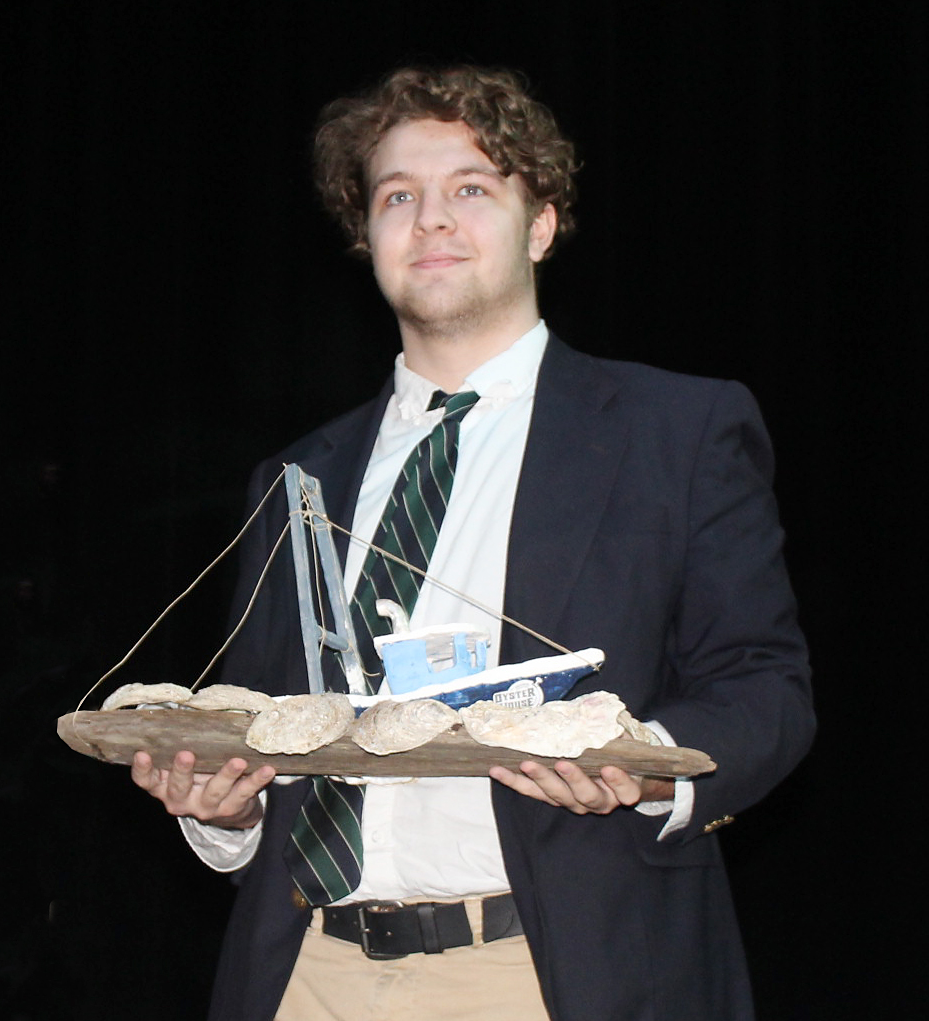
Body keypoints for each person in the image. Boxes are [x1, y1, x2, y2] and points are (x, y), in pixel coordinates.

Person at [131, 66, 815, 1021]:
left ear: (539, 224)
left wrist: (643, 758)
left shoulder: (677, 430)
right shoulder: (297, 477)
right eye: (398, 195)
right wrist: (225, 810)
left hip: (550, 973)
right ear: (365, 236)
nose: (432, 218)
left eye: (471, 188)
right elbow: (265, 737)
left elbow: (764, 687)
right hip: (307, 974)